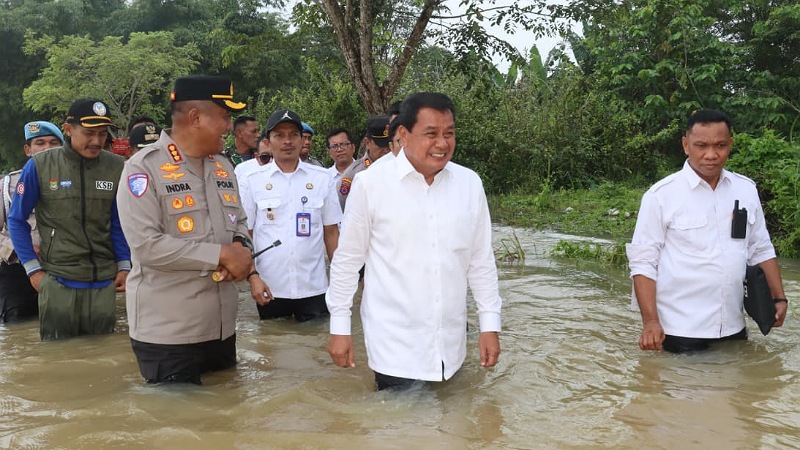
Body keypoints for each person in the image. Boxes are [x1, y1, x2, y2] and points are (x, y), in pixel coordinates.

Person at [326, 92, 502, 391]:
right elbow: (348, 260)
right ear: (404, 135)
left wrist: (490, 325)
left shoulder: (469, 184)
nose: (443, 143)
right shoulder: (371, 184)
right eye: (431, 134)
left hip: (451, 345)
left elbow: (480, 260)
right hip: (395, 346)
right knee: (399, 431)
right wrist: (340, 328)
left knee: (453, 428)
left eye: (449, 133)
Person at [117, 75, 253, 384]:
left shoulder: (223, 166)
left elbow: (240, 223)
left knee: (225, 423)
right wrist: (220, 254)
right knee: (178, 428)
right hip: (168, 336)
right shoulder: (143, 168)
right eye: (224, 116)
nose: (229, 126)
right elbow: (146, 247)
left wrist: (241, 251)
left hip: (221, 329)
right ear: (196, 118)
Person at [626, 109, 788, 353]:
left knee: (740, 390)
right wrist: (650, 322)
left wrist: (779, 298)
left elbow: (760, 248)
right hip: (679, 331)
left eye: (720, 145)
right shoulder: (660, 196)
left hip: (733, 327)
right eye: (701, 145)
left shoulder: (745, 190)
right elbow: (643, 263)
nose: (711, 155)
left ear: (730, 144)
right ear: (685, 145)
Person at [8, 100, 131, 341]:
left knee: (103, 356)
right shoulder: (40, 166)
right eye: (88, 133)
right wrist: (33, 270)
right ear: (68, 129)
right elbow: (16, 220)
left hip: (104, 284)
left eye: (102, 133)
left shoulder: (117, 167)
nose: (96, 141)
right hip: (57, 282)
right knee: (56, 357)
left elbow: (118, 221)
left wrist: (125, 265)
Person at [240, 109, 342, 322]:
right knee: (272, 347)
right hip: (269, 287)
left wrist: (342, 281)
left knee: (315, 348)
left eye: (293, 135)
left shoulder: (323, 179)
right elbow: (245, 234)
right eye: (279, 135)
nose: (287, 141)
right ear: (268, 142)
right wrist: (252, 277)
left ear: (301, 139)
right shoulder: (252, 181)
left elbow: (331, 233)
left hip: (314, 287)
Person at [0, 121, 64, 323]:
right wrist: (17, 248)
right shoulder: (7, 185)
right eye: (40, 143)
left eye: (54, 142)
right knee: (18, 330)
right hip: (17, 273)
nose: (47, 148)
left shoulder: (75, 183)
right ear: (28, 150)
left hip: (62, 269)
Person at [337, 115, 391, 210]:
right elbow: (343, 207)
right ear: (367, 143)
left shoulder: (401, 168)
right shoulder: (352, 175)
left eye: (389, 145)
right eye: (380, 146)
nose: (386, 150)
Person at [325, 127, 356, 192]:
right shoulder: (325, 178)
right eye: (334, 146)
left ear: (353, 147)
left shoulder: (365, 171)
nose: (339, 149)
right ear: (329, 152)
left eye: (344, 144)